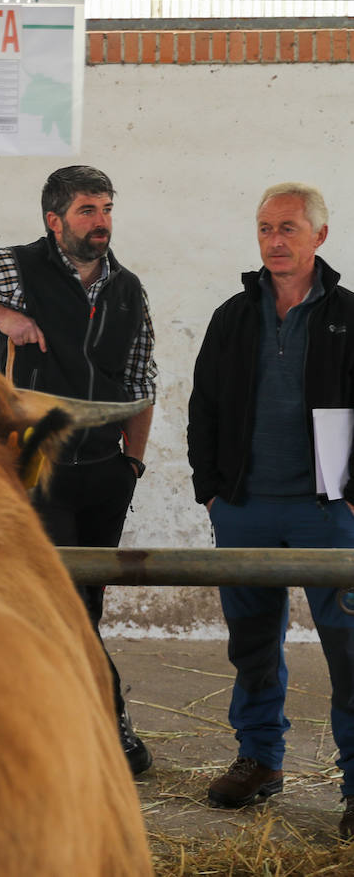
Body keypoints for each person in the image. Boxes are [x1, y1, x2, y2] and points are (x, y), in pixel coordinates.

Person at [0, 165, 158, 776]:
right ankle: (107, 720)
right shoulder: (21, 270)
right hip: (37, 469)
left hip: (106, 469)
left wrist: (133, 461)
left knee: (86, 600)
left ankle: (66, 719)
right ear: (55, 220)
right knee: (56, 600)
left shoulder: (127, 287)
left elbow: (142, 379)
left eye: (105, 209)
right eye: (87, 212)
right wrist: (1, 317)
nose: (101, 223)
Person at [187, 182, 354, 836]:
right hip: (245, 509)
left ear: (320, 235)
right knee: (252, 644)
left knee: (348, 654)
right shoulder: (233, 316)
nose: (274, 241)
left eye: (287, 227)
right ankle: (259, 760)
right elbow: (203, 404)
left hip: (326, 513)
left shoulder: (346, 316)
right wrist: (211, 488)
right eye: (264, 228)